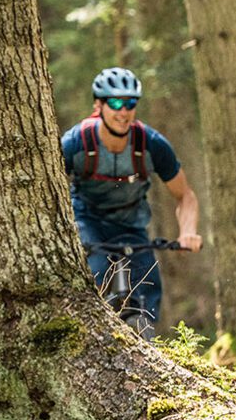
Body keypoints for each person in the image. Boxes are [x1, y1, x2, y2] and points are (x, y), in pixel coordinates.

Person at [61, 67, 203, 330]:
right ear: (98, 105)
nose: (123, 111)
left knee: (148, 288)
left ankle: (144, 342)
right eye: (115, 103)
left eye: (130, 103)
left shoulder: (150, 144)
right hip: (87, 221)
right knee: (96, 275)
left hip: (131, 226)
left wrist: (188, 232)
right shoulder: (76, 142)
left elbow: (185, 196)